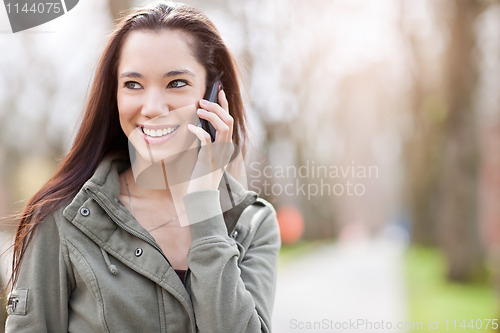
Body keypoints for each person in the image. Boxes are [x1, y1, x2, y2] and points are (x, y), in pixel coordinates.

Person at [4, 2, 280, 332]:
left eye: (176, 82)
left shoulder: (252, 222)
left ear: (213, 93)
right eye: (133, 84)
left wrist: (204, 210)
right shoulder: (62, 219)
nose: (151, 108)